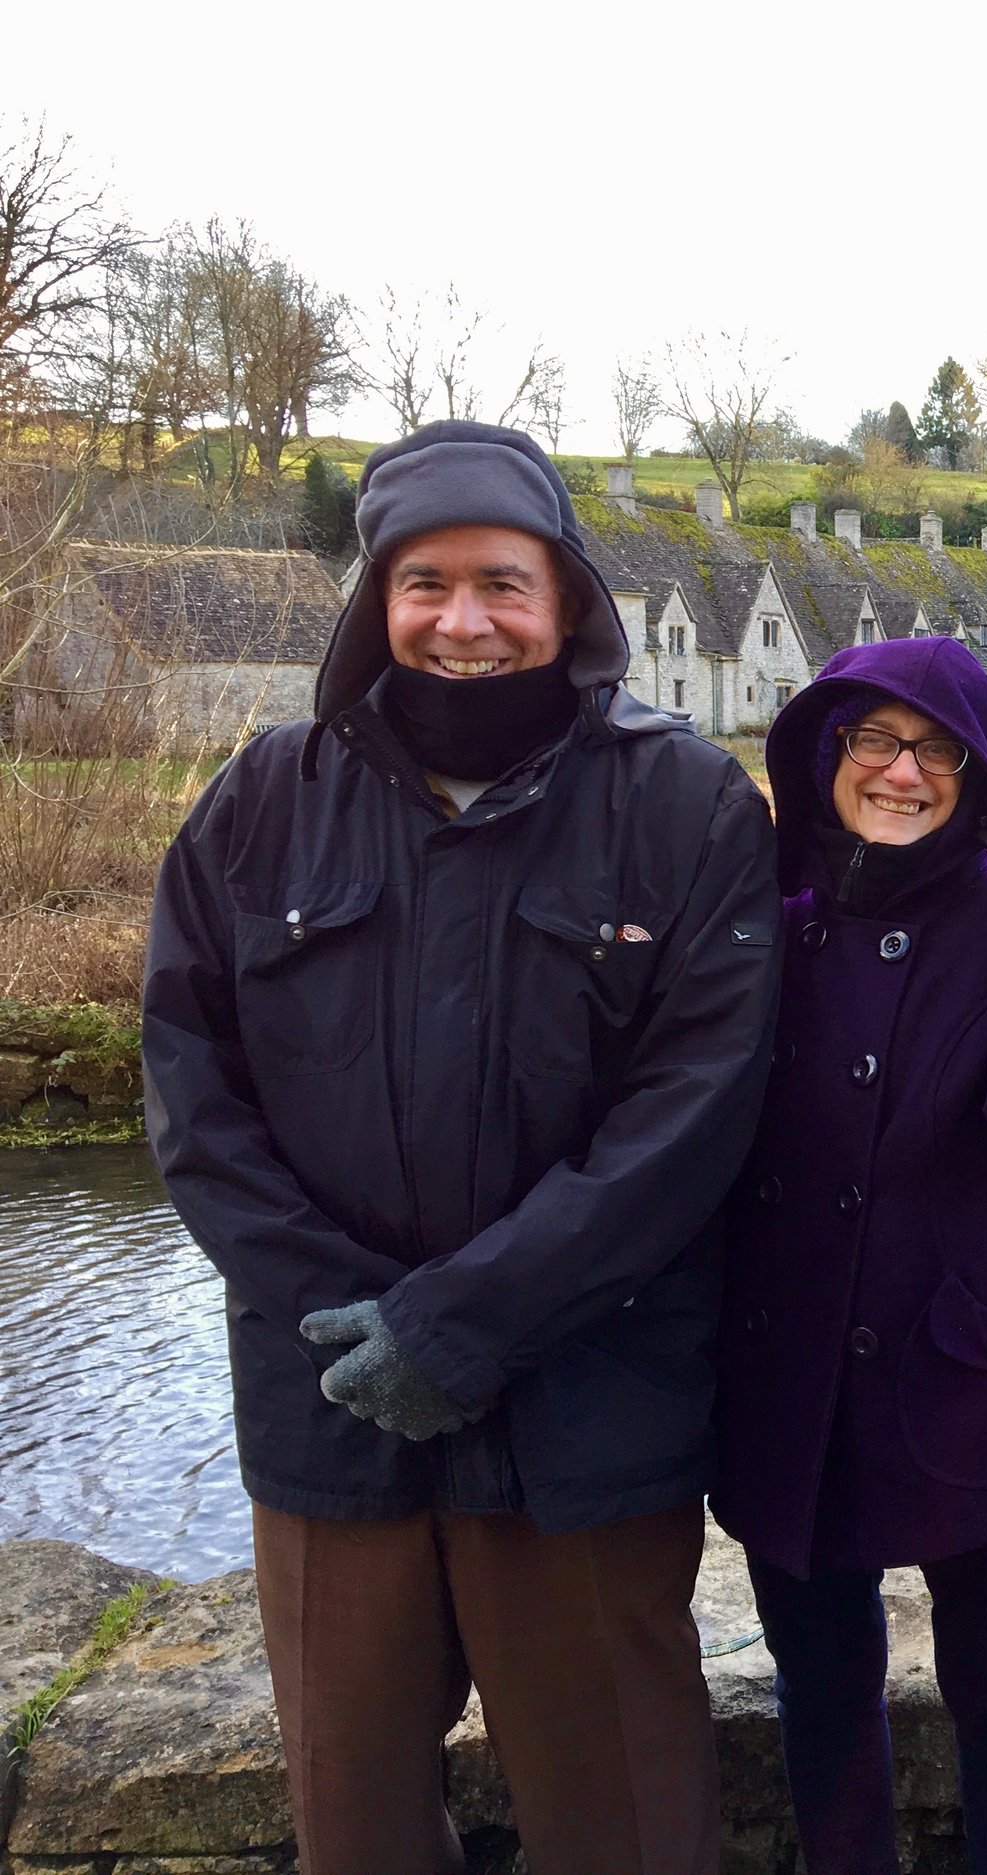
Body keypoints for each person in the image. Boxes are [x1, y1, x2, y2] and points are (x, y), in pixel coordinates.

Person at [142, 420, 782, 1875]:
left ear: (566, 598)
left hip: (586, 1418)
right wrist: (364, 1317)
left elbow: (694, 1113)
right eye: (422, 581)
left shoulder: (682, 803)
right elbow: (192, 1091)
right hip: (333, 1408)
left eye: (502, 579)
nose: (464, 618)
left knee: (621, 1821)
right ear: (375, 601)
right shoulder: (260, 803)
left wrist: (469, 1321)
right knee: (353, 1824)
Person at [712, 635, 987, 1875]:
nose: (903, 771)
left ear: (979, 772)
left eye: (937, 747)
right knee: (822, 1693)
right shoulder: (761, 918)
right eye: (873, 740)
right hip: (794, 1381)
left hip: (978, 1370)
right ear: (823, 752)